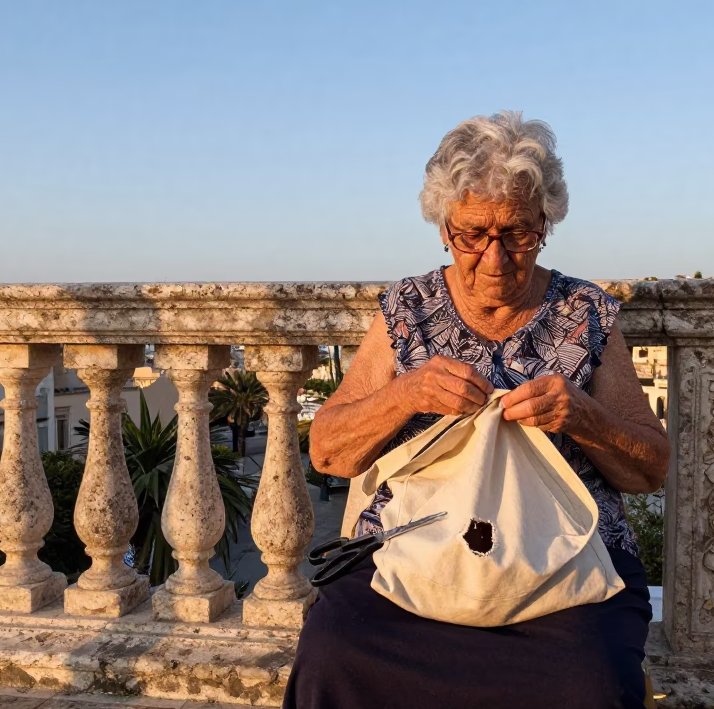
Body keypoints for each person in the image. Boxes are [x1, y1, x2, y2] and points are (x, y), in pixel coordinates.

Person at [285, 111, 671, 709]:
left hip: (563, 559)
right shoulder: (407, 307)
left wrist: (582, 416)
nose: (495, 258)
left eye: (517, 233)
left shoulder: (587, 312)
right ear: (444, 227)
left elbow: (649, 470)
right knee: (333, 651)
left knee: (589, 677)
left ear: (545, 224)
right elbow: (329, 451)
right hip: (413, 553)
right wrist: (406, 394)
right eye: (472, 235)